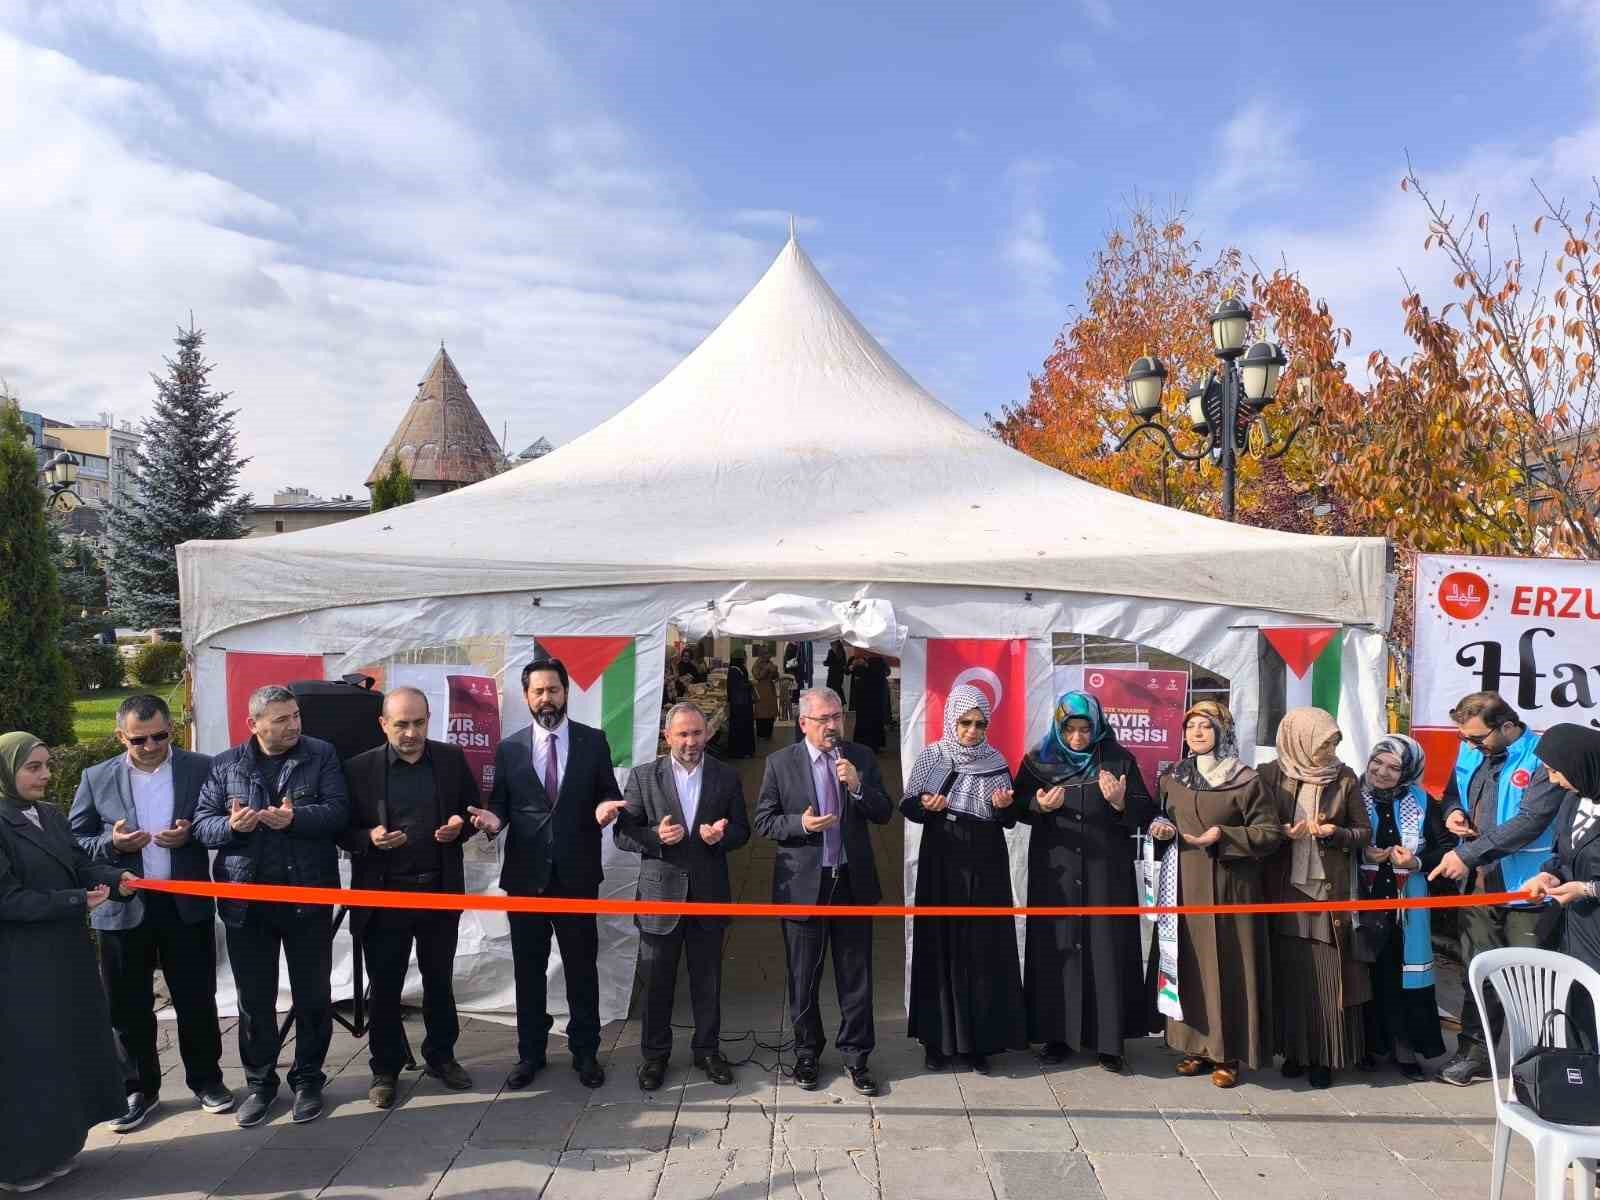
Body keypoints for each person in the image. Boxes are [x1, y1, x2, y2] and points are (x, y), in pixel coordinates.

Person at [69, 694, 232, 1133]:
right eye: (139, 739)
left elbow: (220, 821)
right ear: (121, 736)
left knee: (197, 997)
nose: (152, 745)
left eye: (161, 735)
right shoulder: (96, 776)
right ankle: (138, 1088)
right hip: (123, 907)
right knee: (126, 1004)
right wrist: (113, 845)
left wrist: (191, 835)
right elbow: (74, 840)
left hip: (184, 903)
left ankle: (207, 1081)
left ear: (171, 730)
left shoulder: (201, 767)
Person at [193, 685, 350, 1128]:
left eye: (296, 716)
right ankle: (260, 1084)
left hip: (307, 896)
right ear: (254, 725)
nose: (293, 726)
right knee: (254, 1001)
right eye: (281, 720)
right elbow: (202, 826)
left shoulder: (321, 754)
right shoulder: (225, 764)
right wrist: (231, 826)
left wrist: (295, 818)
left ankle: (308, 1081)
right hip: (247, 903)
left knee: (313, 995)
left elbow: (339, 813)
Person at [467, 657, 623, 1090]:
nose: (546, 698)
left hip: (576, 875)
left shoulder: (594, 742)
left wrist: (604, 807)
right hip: (525, 878)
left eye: (553, 690)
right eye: (538, 691)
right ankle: (529, 1053)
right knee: (528, 970)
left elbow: (607, 791)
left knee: (581, 968)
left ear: (566, 693)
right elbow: (500, 804)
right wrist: (493, 821)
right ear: (526, 697)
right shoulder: (511, 748)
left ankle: (585, 1052)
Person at [1, 733, 136, 1192]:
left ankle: (57, 1146)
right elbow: (7, 900)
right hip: (21, 967)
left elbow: (80, 866)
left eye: (46, 766)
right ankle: (18, 1163)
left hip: (65, 958)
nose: (45, 775)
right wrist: (75, 900)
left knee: (63, 1054)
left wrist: (117, 879)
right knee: (30, 1061)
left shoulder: (50, 816)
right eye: (33, 768)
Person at [339, 687, 480, 1109]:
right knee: (385, 986)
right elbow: (340, 828)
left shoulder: (451, 760)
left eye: (419, 722)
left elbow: (473, 810)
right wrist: (369, 838)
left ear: (429, 719)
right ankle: (384, 1068)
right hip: (384, 896)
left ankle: (442, 1056)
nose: (411, 732)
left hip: (438, 889)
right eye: (401, 724)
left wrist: (461, 825)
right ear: (383, 724)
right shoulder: (359, 769)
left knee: (439, 979)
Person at [754, 686, 893, 1094]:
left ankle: (856, 1057)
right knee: (803, 976)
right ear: (803, 724)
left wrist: (858, 788)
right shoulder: (781, 763)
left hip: (850, 883)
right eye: (824, 719)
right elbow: (764, 821)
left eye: (838, 717)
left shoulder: (861, 758)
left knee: (856, 976)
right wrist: (800, 825)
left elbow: (884, 812)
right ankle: (807, 1054)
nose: (833, 726)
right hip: (802, 885)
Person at [1426, 691, 1566, 1086]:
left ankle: (1535, 1062)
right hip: (1480, 883)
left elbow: (1531, 820)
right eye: (1464, 739)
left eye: (1477, 739)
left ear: (1507, 727)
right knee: (1478, 969)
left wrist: (1467, 854)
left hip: (1529, 884)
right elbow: (1452, 792)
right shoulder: (1471, 750)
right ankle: (1473, 1054)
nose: (1470, 746)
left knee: (1528, 975)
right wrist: (1453, 812)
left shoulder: (1543, 757)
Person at [1014, 691, 1154, 1073]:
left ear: (1097, 726)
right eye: (1070, 729)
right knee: (1056, 948)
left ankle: (1109, 1041)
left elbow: (1146, 811)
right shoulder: (1038, 759)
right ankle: (1057, 1035)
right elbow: (1015, 805)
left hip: (1105, 874)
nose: (1077, 737)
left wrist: (1122, 802)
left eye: (1084, 728)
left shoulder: (1118, 759)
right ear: (1059, 728)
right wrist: (1038, 806)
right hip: (1055, 872)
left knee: (1106, 949)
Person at [614, 702, 750, 1090]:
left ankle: (708, 1050)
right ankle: (654, 1056)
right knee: (657, 981)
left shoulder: (726, 776)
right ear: (667, 736)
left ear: (708, 734)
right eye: (682, 734)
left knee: (707, 979)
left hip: (709, 893)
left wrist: (722, 837)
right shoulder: (644, 777)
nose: (691, 742)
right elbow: (623, 834)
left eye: (697, 733)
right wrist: (655, 837)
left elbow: (743, 829)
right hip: (660, 897)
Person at [1149, 700, 1281, 1088]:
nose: (1197, 734)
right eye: (1191, 728)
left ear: (1223, 731)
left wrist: (1225, 836)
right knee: (1189, 963)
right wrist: (1161, 828)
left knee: (1229, 967)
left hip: (1230, 888)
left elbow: (1269, 833)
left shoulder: (1245, 779)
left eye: (1206, 727)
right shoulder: (1174, 776)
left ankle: (1229, 1054)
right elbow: (1163, 817)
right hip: (1184, 885)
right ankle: (1194, 1047)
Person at [902, 685, 1026, 1073]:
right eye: (965, 722)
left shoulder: (995, 760)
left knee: (983, 945)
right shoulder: (934, 756)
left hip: (986, 858)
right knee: (940, 941)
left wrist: (1005, 807)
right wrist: (926, 806)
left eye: (979, 724)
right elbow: (908, 806)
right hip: (943, 854)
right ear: (951, 720)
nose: (972, 731)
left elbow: (1009, 819)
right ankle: (937, 1040)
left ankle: (980, 1042)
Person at [1258, 708, 1370, 1089]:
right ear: (1299, 739)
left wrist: (1334, 833)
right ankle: (1293, 1051)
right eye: (1323, 743)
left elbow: (1363, 833)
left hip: (1327, 891)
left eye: (1334, 742)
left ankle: (1325, 1055)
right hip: (1284, 890)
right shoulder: (1269, 775)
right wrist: (1281, 832)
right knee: (1291, 974)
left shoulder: (1344, 777)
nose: (1329, 750)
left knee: (1326, 974)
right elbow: (1255, 827)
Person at [1357, 735, 1448, 1079]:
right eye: (1376, 762)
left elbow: (1446, 849)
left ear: (1408, 771)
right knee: (1366, 969)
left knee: (1404, 972)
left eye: (1393, 767)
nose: (1381, 772)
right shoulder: (1354, 794)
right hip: (1363, 898)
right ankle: (1365, 1045)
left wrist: (1416, 862)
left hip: (1406, 901)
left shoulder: (1423, 802)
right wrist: (1360, 853)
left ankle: (1405, 1047)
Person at [1524, 723, 1600, 1048]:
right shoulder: (1573, 798)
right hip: (1572, 930)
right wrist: (1549, 874)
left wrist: (1587, 889)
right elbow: (1563, 854)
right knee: (1575, 1012)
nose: (1554, 781)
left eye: (1557, 771)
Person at [851, 657, 891, 752]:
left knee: (864, 725)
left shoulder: (864, 674)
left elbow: (851, 670)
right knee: (876, 725)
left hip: (864, 708)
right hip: (878, 707)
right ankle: (875, 746)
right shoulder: (881, 677)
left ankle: (864, 744)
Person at [725, 653, 756, 758]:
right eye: (744, 658)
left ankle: (742, 751)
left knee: (740, 728)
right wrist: (750, 684)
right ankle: (741, 752)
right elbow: (739, 686)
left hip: (740, 703)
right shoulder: (735, 670)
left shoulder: (736, 669)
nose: (745, 660)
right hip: (741, 704)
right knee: (741, 728)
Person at [752, 651, 780, 741]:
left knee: (770, 712)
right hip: (761, 690)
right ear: (762, 655)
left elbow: (776, 677)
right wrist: (766, 669)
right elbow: (757, 676)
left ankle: (769, 732)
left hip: (770, 690)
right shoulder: (757, 664)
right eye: (768, 655)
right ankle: (761, 733)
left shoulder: (770, 663)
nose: (769, 657)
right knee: (761, 712)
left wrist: (775, 671)